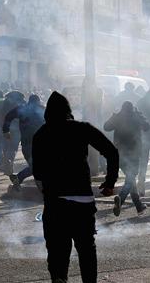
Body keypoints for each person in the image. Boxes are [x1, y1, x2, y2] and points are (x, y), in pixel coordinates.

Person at [32, 91, 119, 283]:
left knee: (57, 252)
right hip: (83, 201)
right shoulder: (82, 128)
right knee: (87, 249)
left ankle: (59, 279)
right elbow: (112, 152)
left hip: (55, 203)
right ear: (68, 111)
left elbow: (37, 174)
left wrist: (48, 193)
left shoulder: (40, 134)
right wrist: (110, 182)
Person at [104, 101, 150, 216]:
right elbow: (147, 127)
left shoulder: (118, 117)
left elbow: (106, 126)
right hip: (133, 154)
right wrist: (140, 115)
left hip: (119, 154)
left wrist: (115, 116)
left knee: (131, 179)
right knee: (130, 179)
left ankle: (139, 206)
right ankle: (121, 198)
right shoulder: (136, 116)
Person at [3, 94, 45, 190]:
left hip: (28, 144)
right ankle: (19, 178)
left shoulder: (22, 108)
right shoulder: (43, 109)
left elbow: (8, 117)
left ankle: (18, 178)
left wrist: (6, 130)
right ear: (38, 101)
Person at [1, 91, 25, 174]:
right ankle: (10, 161)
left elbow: (2, 115)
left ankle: (7, 162)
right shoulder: (22, 102)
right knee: (14, 146)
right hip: (17, 128)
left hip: (7, 127)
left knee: (6, 146)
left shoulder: (5, 103)